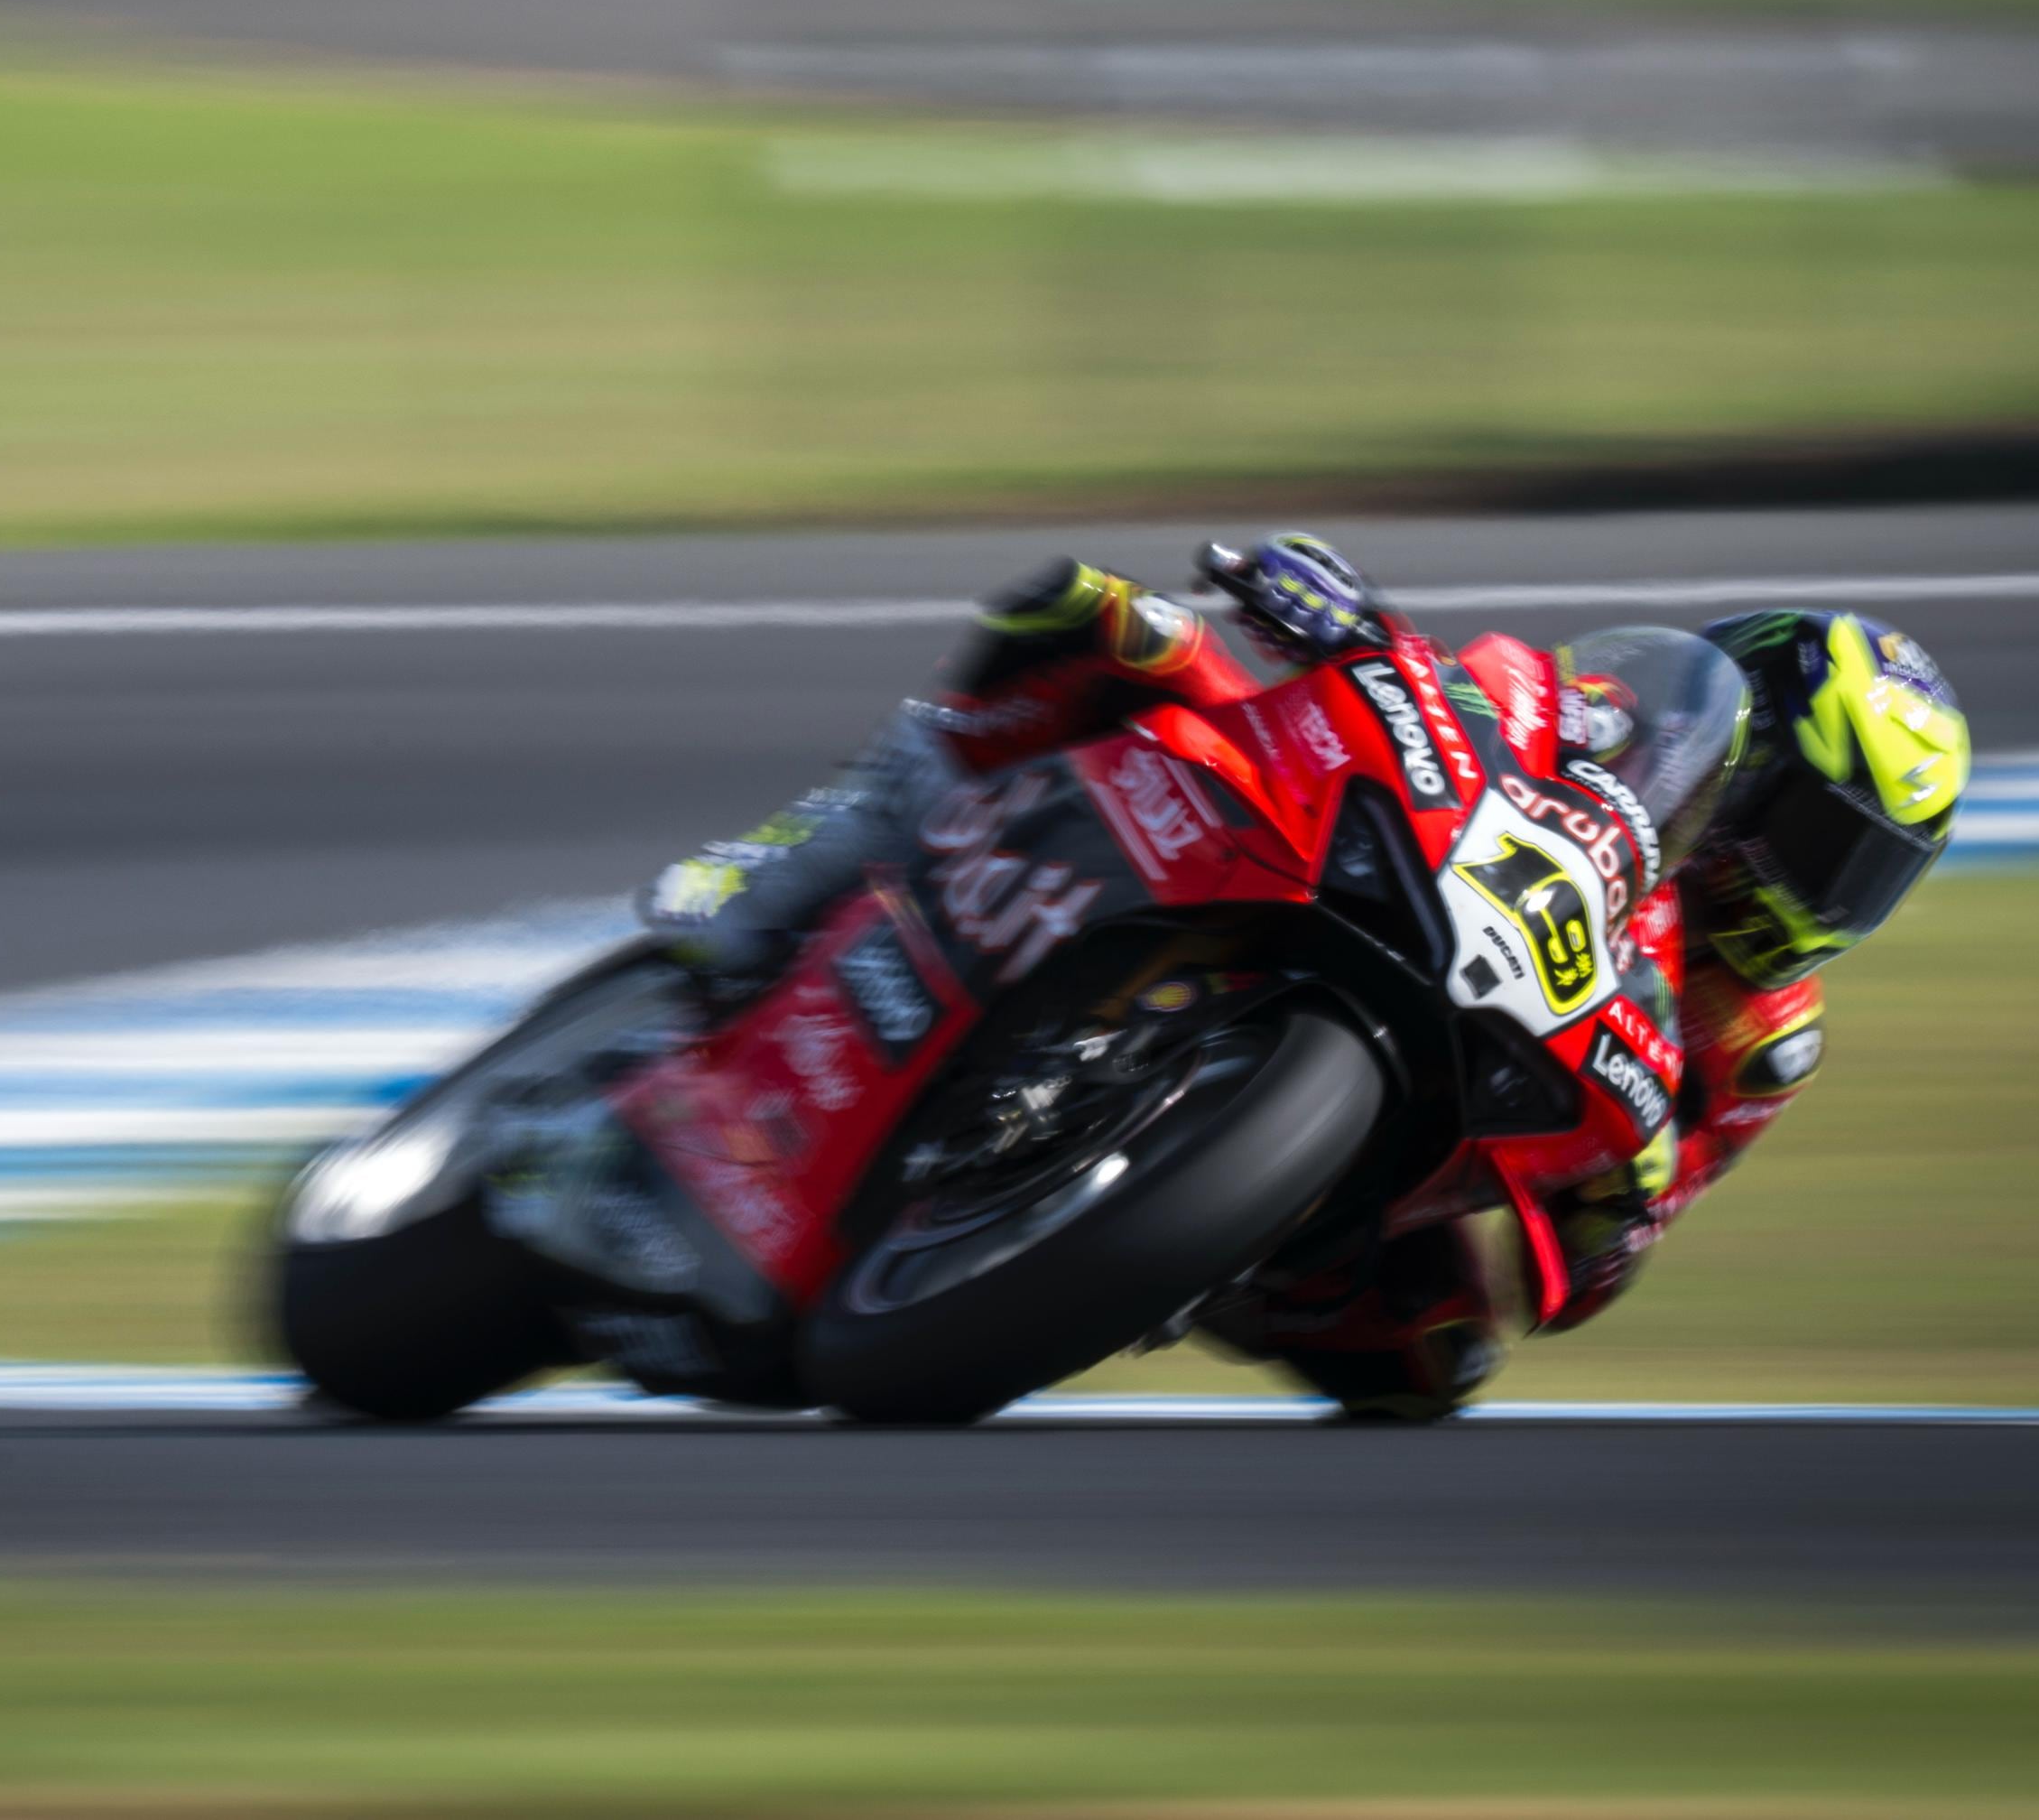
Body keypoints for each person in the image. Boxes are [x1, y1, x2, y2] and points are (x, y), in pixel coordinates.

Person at [641, 533, 1971, 1420]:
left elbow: (1628, 1239)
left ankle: (1179, 1235)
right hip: (1364, 873)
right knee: (1111, 620)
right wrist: (1347, 624)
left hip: (1468, 1109)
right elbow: (1473, 700)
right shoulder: (1608, 720)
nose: (1795, 886)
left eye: (1854, 870)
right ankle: (792, 865)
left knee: (1437, 1362)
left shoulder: (1757, 1037)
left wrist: (1618, 1206)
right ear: (1746, 756)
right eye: (1802, 830)